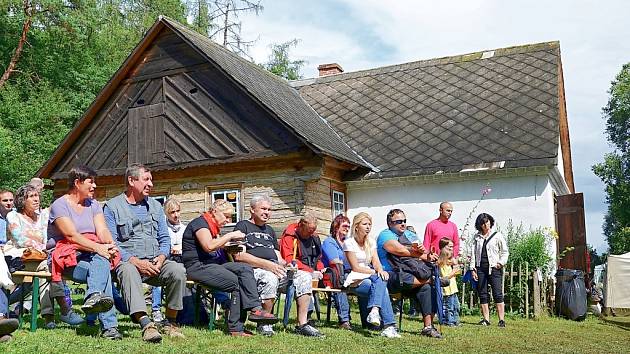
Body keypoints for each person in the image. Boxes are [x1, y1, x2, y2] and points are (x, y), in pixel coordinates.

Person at [104, 164, 186, 342]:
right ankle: (147, 325)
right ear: (131, 181)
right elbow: (111, 243)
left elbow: (165, 239)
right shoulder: (112, 207)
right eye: (146, 179)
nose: (151, 184)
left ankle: (170, 322)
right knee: (127, 270)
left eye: (151, 180)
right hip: (128, 262)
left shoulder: (156, 206)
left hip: (155, 262)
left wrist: (162, 257)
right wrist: (135, 261)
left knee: (178, 271)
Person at [182, 198, 277, 336]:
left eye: (230, 217)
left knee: (244, 269)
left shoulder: (213, 227)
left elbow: (215, 247)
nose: (227, 220)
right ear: (214, 212)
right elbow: (208, 246)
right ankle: (236, 328)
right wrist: (230, 235)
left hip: (211, 265)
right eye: (226, 216)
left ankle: (255, 309)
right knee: (237, 283)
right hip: (197, 267)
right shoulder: (200, 223)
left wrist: (229, 248)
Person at [48, 166, 122, 338]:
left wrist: (110, 244)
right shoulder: (60, 205)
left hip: (91, 255)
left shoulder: (94, 205)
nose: (95, 186)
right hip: (66, 257)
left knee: (101, 263)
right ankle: (109, 327)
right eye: (91, 181)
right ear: (77, 183)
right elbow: (71, 235)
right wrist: (100, 248)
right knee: (101, 271)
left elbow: (102, 230)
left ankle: (94, 298)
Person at [232, 194, 313, 336]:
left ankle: (302, 324)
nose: (267, 212)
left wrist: (289, 265)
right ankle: (264, 323)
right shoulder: (242, 226)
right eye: (263, 208)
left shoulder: (269, 230)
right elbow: (239, 256)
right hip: (253, 271)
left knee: (304, 276)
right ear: (252, 210)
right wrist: (267, 265)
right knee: (269, 277)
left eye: (269, 209)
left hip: (275, 268)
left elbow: (278, 257)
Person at [4, 184, 84, 329]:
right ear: (22, 200)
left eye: (37, 196)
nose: (36, 199)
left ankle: (49, 317)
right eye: (31, 197)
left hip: (42, 257)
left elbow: (51, 237)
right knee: (49, 266)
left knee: (46, 270)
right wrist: (42, 246)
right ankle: (63, 310)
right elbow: (20, 240)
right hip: (21, 257)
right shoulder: (13, 216)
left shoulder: (44, 216)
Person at [377, 208, 441, 338]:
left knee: (427, 288)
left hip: (412, 275)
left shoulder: (410, 235)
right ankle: (429, 279)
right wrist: (420, 253)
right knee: (403, 278)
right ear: (390, 223)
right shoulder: (385, 234)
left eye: (404, 221)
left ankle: (428, 327)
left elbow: (423, 252)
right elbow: (399, 250)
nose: (403, 224)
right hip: (389, 275)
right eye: (398, 221)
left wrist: (426, 254)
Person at [344, 212, 400, 338]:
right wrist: (375, 272)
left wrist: (380, 270)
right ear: (356, 226)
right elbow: (355, 267)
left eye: (370, 224)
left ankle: (375, 312)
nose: (368, 227)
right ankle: (389, 326)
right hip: (354, 277)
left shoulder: (371, 242)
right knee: (380, 288)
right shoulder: (349, 243)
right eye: (365, 224)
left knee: (380, 280)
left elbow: (376, 262)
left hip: (370, 275)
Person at [279, 214, 325, 337]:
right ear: (300, 226)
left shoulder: (314, 237)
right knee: (305, 277)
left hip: (313, 271)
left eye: (313, 231)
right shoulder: (290, 236)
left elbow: (318, 258)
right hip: (292, 272)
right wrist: (310, 271)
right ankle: (305, 320)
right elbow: (289, 259)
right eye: (308, 231)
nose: (311, 234)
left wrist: (321, 269)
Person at [150, 197, 186, 323]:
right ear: (166, 213)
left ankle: (178, 313)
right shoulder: (163, 228)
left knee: (180, 275)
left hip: (181, 260)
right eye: (172, 212)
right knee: (158, 281)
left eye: (177, 211)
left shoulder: (184, 229)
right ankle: (156, 310)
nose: (176, 215)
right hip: (165, 259)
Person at [470, 213, 509, 327]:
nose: (485, 225)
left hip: (494, 268)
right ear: (479, 225)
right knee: (482, 293)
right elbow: (473, 254)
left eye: (487, 222)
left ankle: (501, 320)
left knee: (497, 293)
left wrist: (500, 263)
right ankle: (486, 319)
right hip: (480, 268)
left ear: (490, 222)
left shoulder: (497, 235)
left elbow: (505, 251)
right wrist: (473, 269)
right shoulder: (476, 237)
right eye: (483, 223)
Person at [321, 214, 353, 330]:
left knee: (366, 280)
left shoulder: (348, 242)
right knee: (341, 280)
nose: (347, 228)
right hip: (331, 275)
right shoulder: (329, 242)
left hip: (349, 272)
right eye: (344, 226)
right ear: (336, 227)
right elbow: (335, 261)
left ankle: (367, 321)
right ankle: (344, 320)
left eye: (349, 226)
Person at [437, 237, 461, 326]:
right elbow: (444, 278)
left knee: (456, 306)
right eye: (449, 247)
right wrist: (453, 272)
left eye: (452, 247)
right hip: (447, 289)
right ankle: (448, 321)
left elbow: (457, 270)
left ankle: (456, 320)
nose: (451, 249)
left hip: (453, 288)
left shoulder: (449, 261)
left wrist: (455, 264)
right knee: (448, 306)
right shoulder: (440, 261)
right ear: (443, 248)